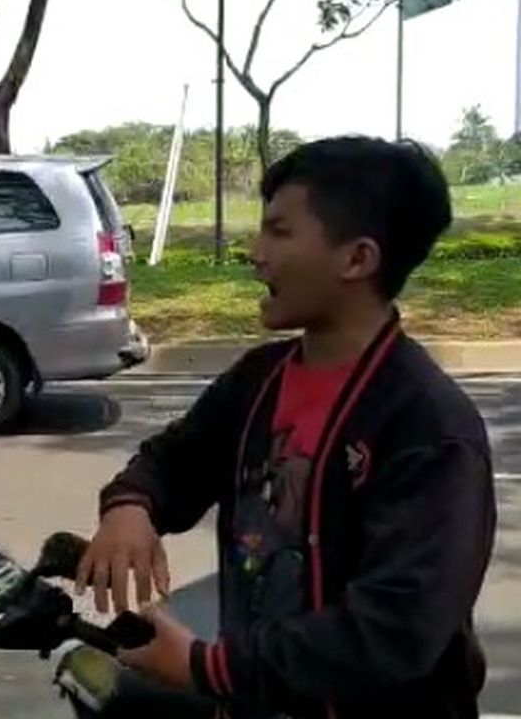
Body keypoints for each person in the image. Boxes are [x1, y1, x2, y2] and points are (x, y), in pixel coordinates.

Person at [75, 136, 497, 718]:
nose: (256, 252)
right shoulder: (258, 379)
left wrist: (207, 667)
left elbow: (395, 629)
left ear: (357, 259)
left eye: (279, 231)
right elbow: (173, 462)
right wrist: (131, 506)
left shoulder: (428, 425)